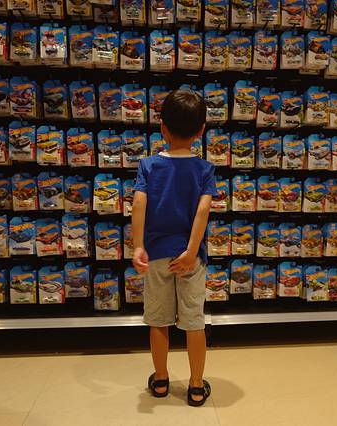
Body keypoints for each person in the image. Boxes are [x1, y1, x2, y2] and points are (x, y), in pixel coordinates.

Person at [132, 89, 215, 407]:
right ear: (201, 130)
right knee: (194, 321)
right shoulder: (204, 169)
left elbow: (139, 203)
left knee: (158, 320)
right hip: (190, 258)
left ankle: (161, 380)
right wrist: (192, 250)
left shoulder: (148, 165)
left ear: (162, 128)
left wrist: (138, 246)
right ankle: (196, 386)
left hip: (156, 254)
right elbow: (203, 211)